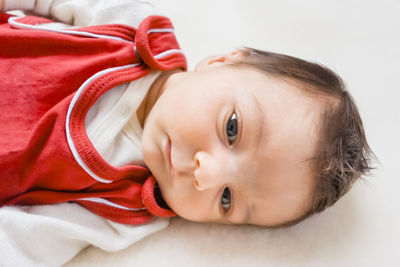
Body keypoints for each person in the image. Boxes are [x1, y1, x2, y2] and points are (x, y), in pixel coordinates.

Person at [0, 0, 373, 265]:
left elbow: (25, 242)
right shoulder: (136, 30)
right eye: (232, 129)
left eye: (227, 199)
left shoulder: (122, 207)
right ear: (222, 62)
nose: (205, 174)